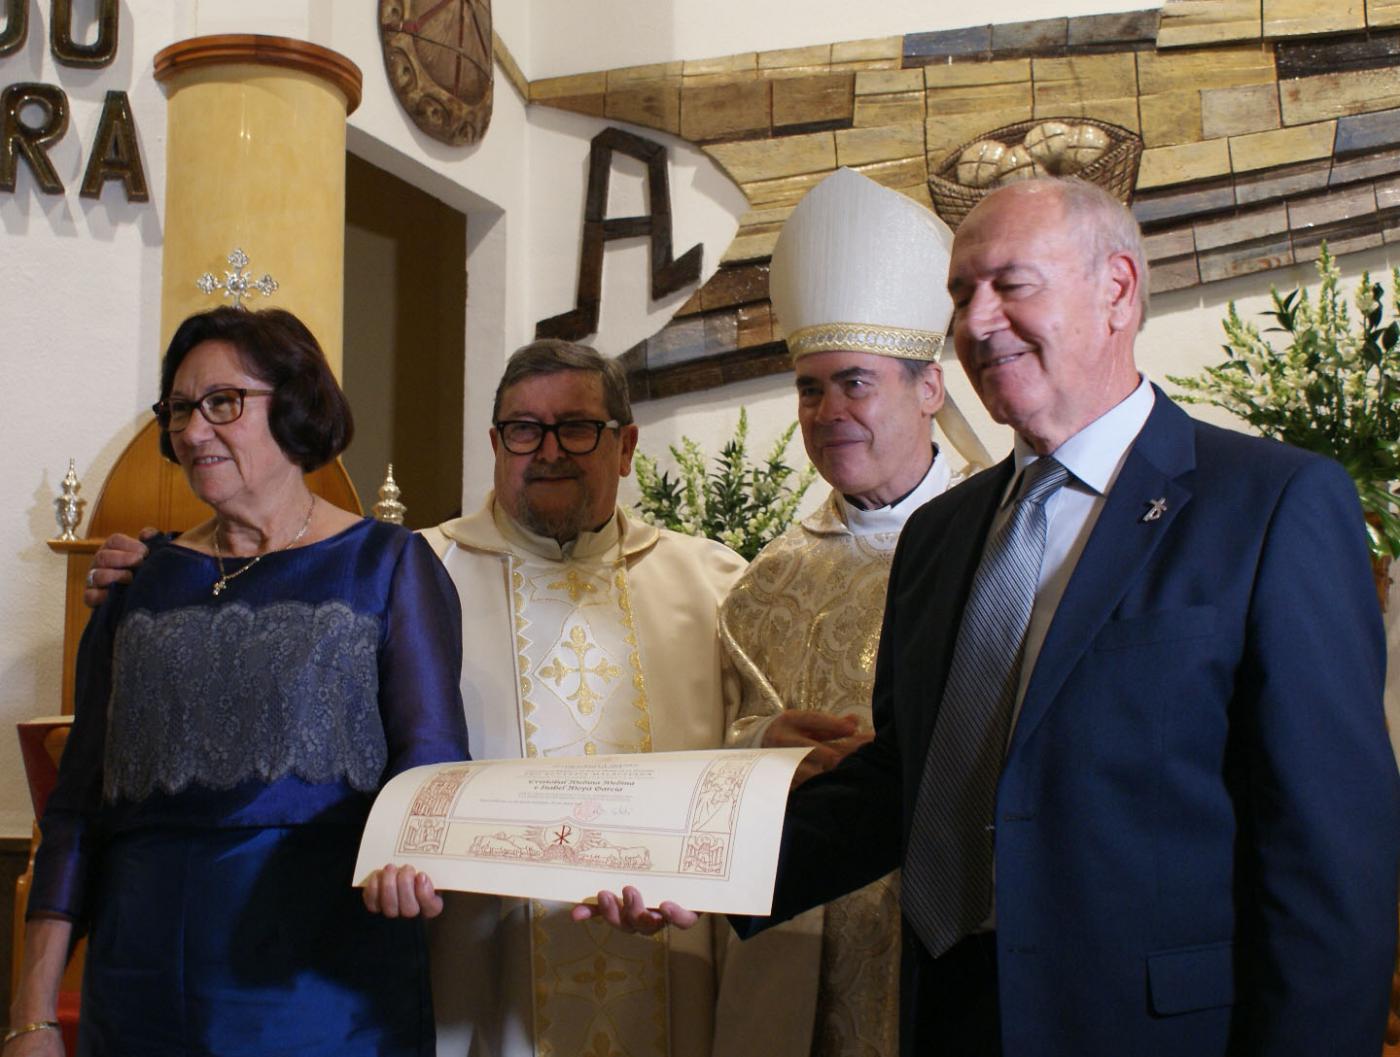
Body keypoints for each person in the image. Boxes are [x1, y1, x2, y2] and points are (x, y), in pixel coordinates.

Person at [580, 177, 1400, 1057]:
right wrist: (699, 869)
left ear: (1117, 290)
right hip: (954, 1018)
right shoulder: (942, 534)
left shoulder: (1270, 505)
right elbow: (903, 783)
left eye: (1010, 284)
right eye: (961, 293)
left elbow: (1331, 858)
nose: (973, 322)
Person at [9, 307, 470, 1057]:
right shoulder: (136, 580)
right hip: (136, 990)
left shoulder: (387, 564)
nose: (193, 432)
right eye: (181, 409)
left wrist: (415, 854)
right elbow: (74, 813)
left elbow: (433, 760)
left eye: (223, 403)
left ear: (294, 405)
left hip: (320, 990)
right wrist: (30, 1015)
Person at [369, 339, 746, 1057]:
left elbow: (749, 770)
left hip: (668, 950)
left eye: (577, 427)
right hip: (477, 965)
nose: (548, 451)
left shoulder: (713, 585)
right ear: (494, 443)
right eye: (523, 430)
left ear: (626, 444)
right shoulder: (418, 576)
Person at [714, 168, 990, 1057]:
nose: (829, 412)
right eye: (808, 388)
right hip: (793, 943)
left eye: (856, 383)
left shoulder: (1005, 548)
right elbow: (726, 733)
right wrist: (763, 750)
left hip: (947, 945)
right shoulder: (767, 582)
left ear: (929, 388)